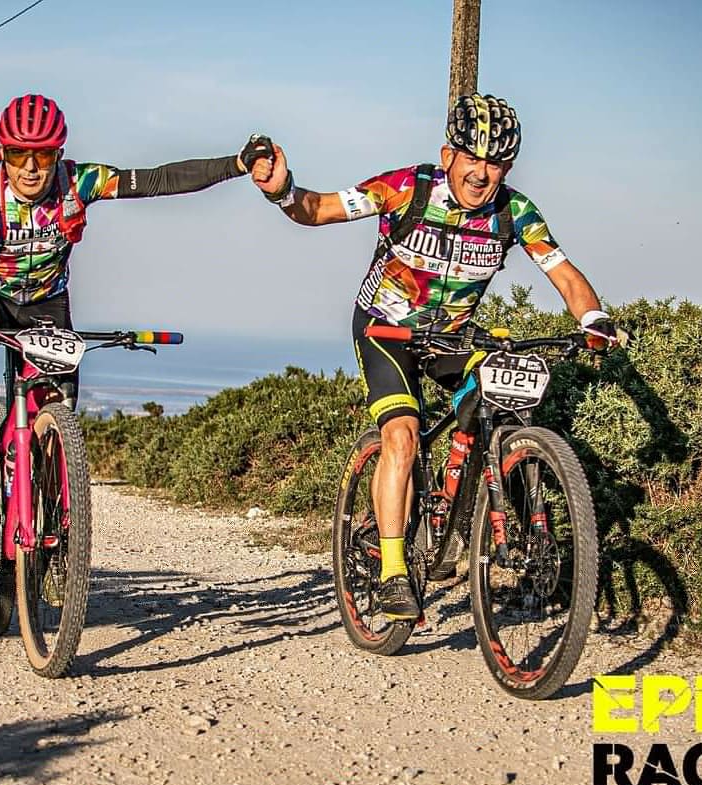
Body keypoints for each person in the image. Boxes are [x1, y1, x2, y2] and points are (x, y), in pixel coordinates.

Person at [251, 92, 620, 620]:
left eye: (495, 162)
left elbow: (562, 271)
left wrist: (592, 320)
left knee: (508, 404)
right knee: (401, 434)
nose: (481, 172)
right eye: (472, 156)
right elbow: (319, 210)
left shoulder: (514, 211)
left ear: (507, 167)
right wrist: (282, 190)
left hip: (453, 337)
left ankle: (495, 529)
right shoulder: (407, 189)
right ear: (449, 154)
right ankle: (394, 571)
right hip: (386, 331)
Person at [0, 93, 273, 501]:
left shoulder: (79, 182)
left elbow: (158, 180)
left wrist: (238, 164)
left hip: (46, 301)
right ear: (3, 153)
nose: (30, 168)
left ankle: (44, 499)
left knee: (56, 405)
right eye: (18, 155)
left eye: (43, 155)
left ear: (59, 153)